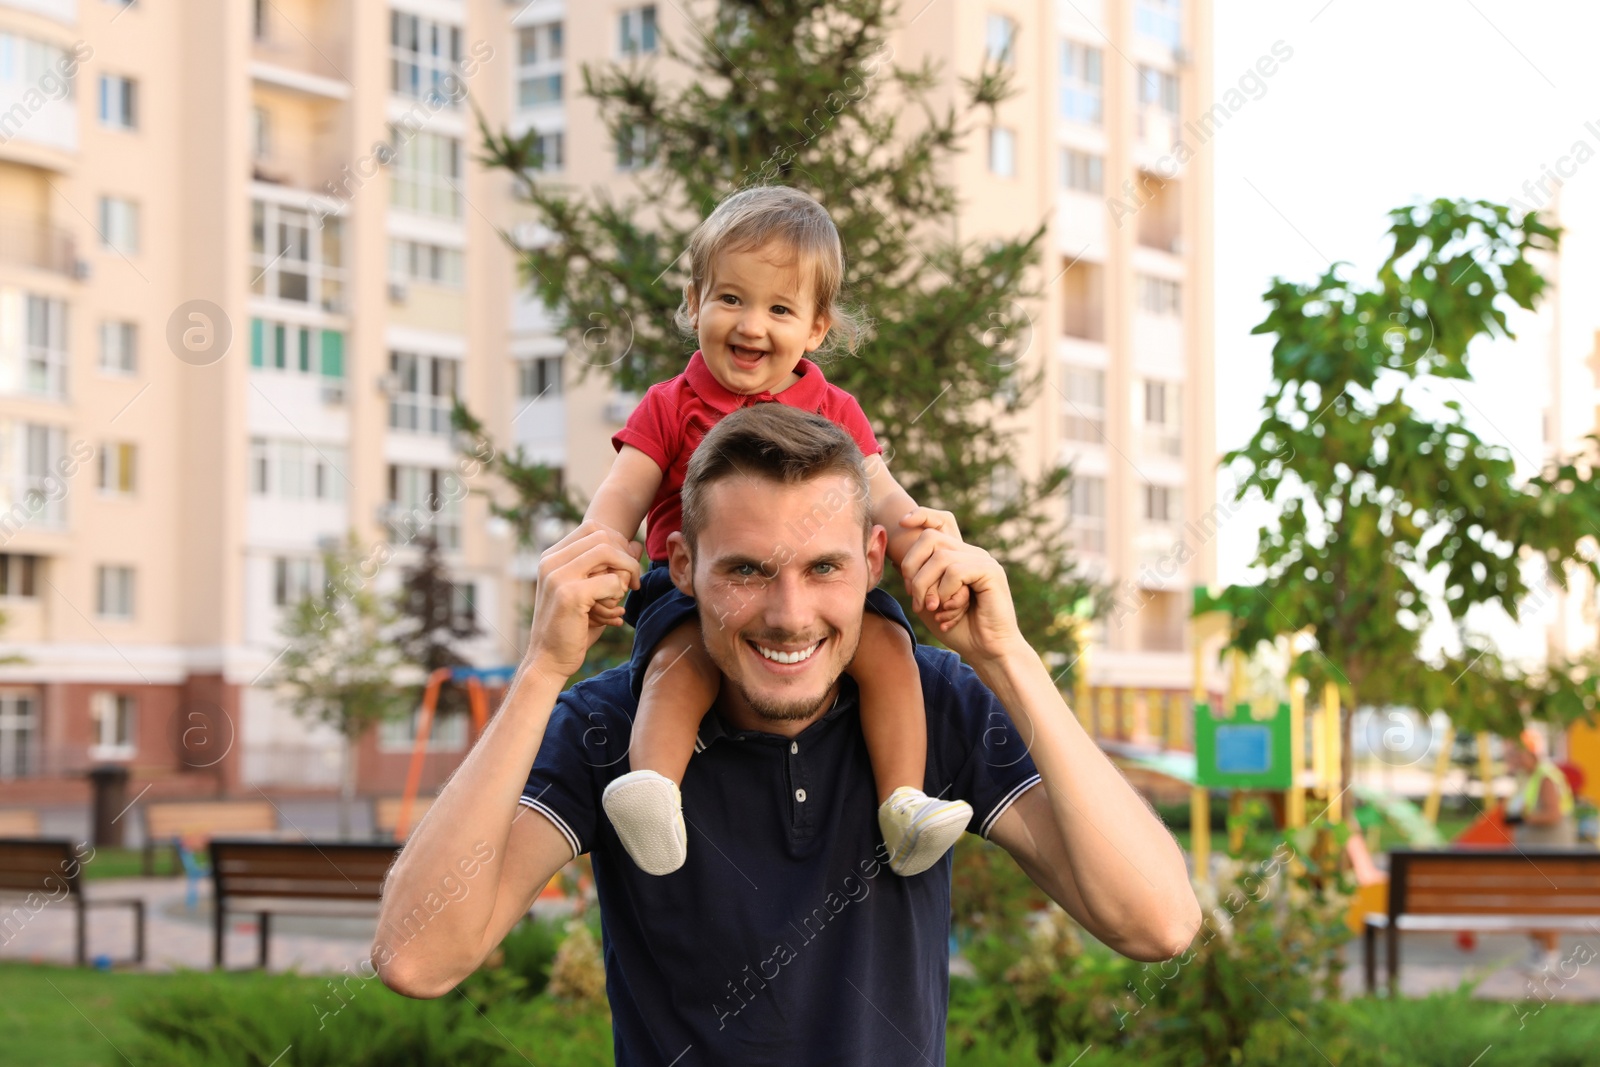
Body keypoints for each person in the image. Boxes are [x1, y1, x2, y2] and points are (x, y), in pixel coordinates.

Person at [373, 404, 1201, 1065]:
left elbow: (1156, 922)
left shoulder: (939, 701)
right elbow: (418, 958)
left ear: (875, 559)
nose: (789, 614)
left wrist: (1007, 656)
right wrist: (539, 672)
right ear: (683, 564)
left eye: (823, 568)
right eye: (747, 569)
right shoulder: (609, 726)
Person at [582, 185, 972, 878]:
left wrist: (926, 550)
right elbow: (620, 499)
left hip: (812, 579)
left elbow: (882, 495)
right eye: (730, 298)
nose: (751, 325)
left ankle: (904, 801)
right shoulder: (670, 404)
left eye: (780, 308)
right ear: (695, 299)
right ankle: (654, 792)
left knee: (888, 646)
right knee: (680, 656)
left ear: (817, 327)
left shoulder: (833, 407)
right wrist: (596, 559)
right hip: (698, 586)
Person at [1504, 730, 1578, 973]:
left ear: (1531, 753)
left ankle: (1550, 955)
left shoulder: (1546, 776)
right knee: (1532, 901)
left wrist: (1524, 818)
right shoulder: (1527, 776)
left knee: (1546, 901)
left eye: (1517, 755)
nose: (1513, 761)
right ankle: (1540, 951)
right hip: (1532, 848)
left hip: (1548, 849)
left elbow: (1553, 814)